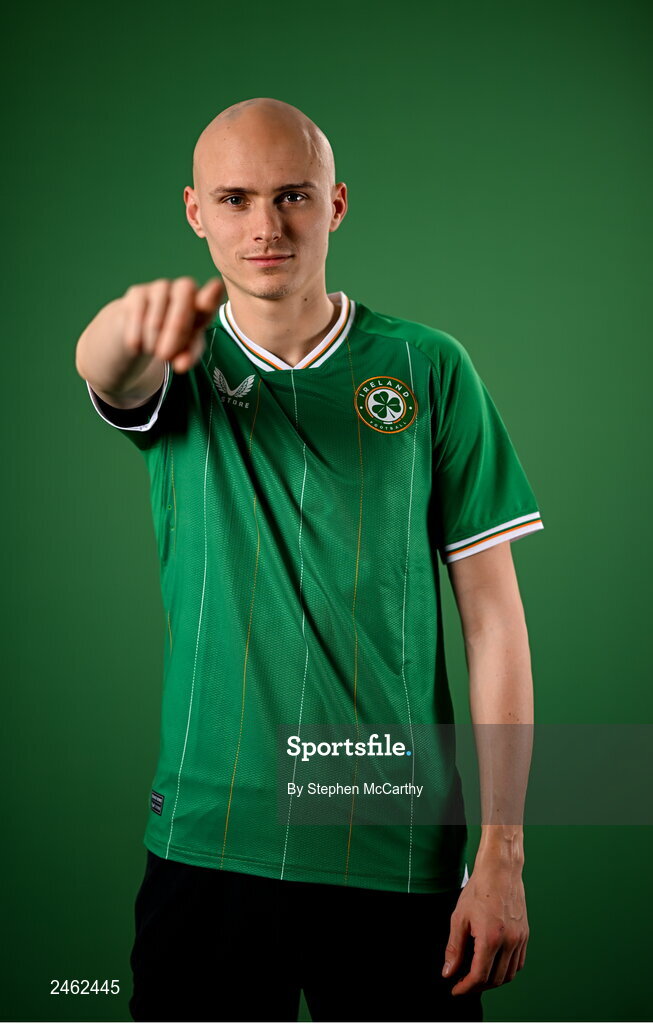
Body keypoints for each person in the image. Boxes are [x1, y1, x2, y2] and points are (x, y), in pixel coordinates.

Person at [75, 97, 544, 1023]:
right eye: (235, 198)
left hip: (392, 842)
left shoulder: (428, 367)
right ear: (195, 212)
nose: (264, 226)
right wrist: (128, 328)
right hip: (207, 845)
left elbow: (491, 621)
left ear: (333, 204)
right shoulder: (179, 362)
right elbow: (105, 368)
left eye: (291, 195)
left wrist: (500, 856)